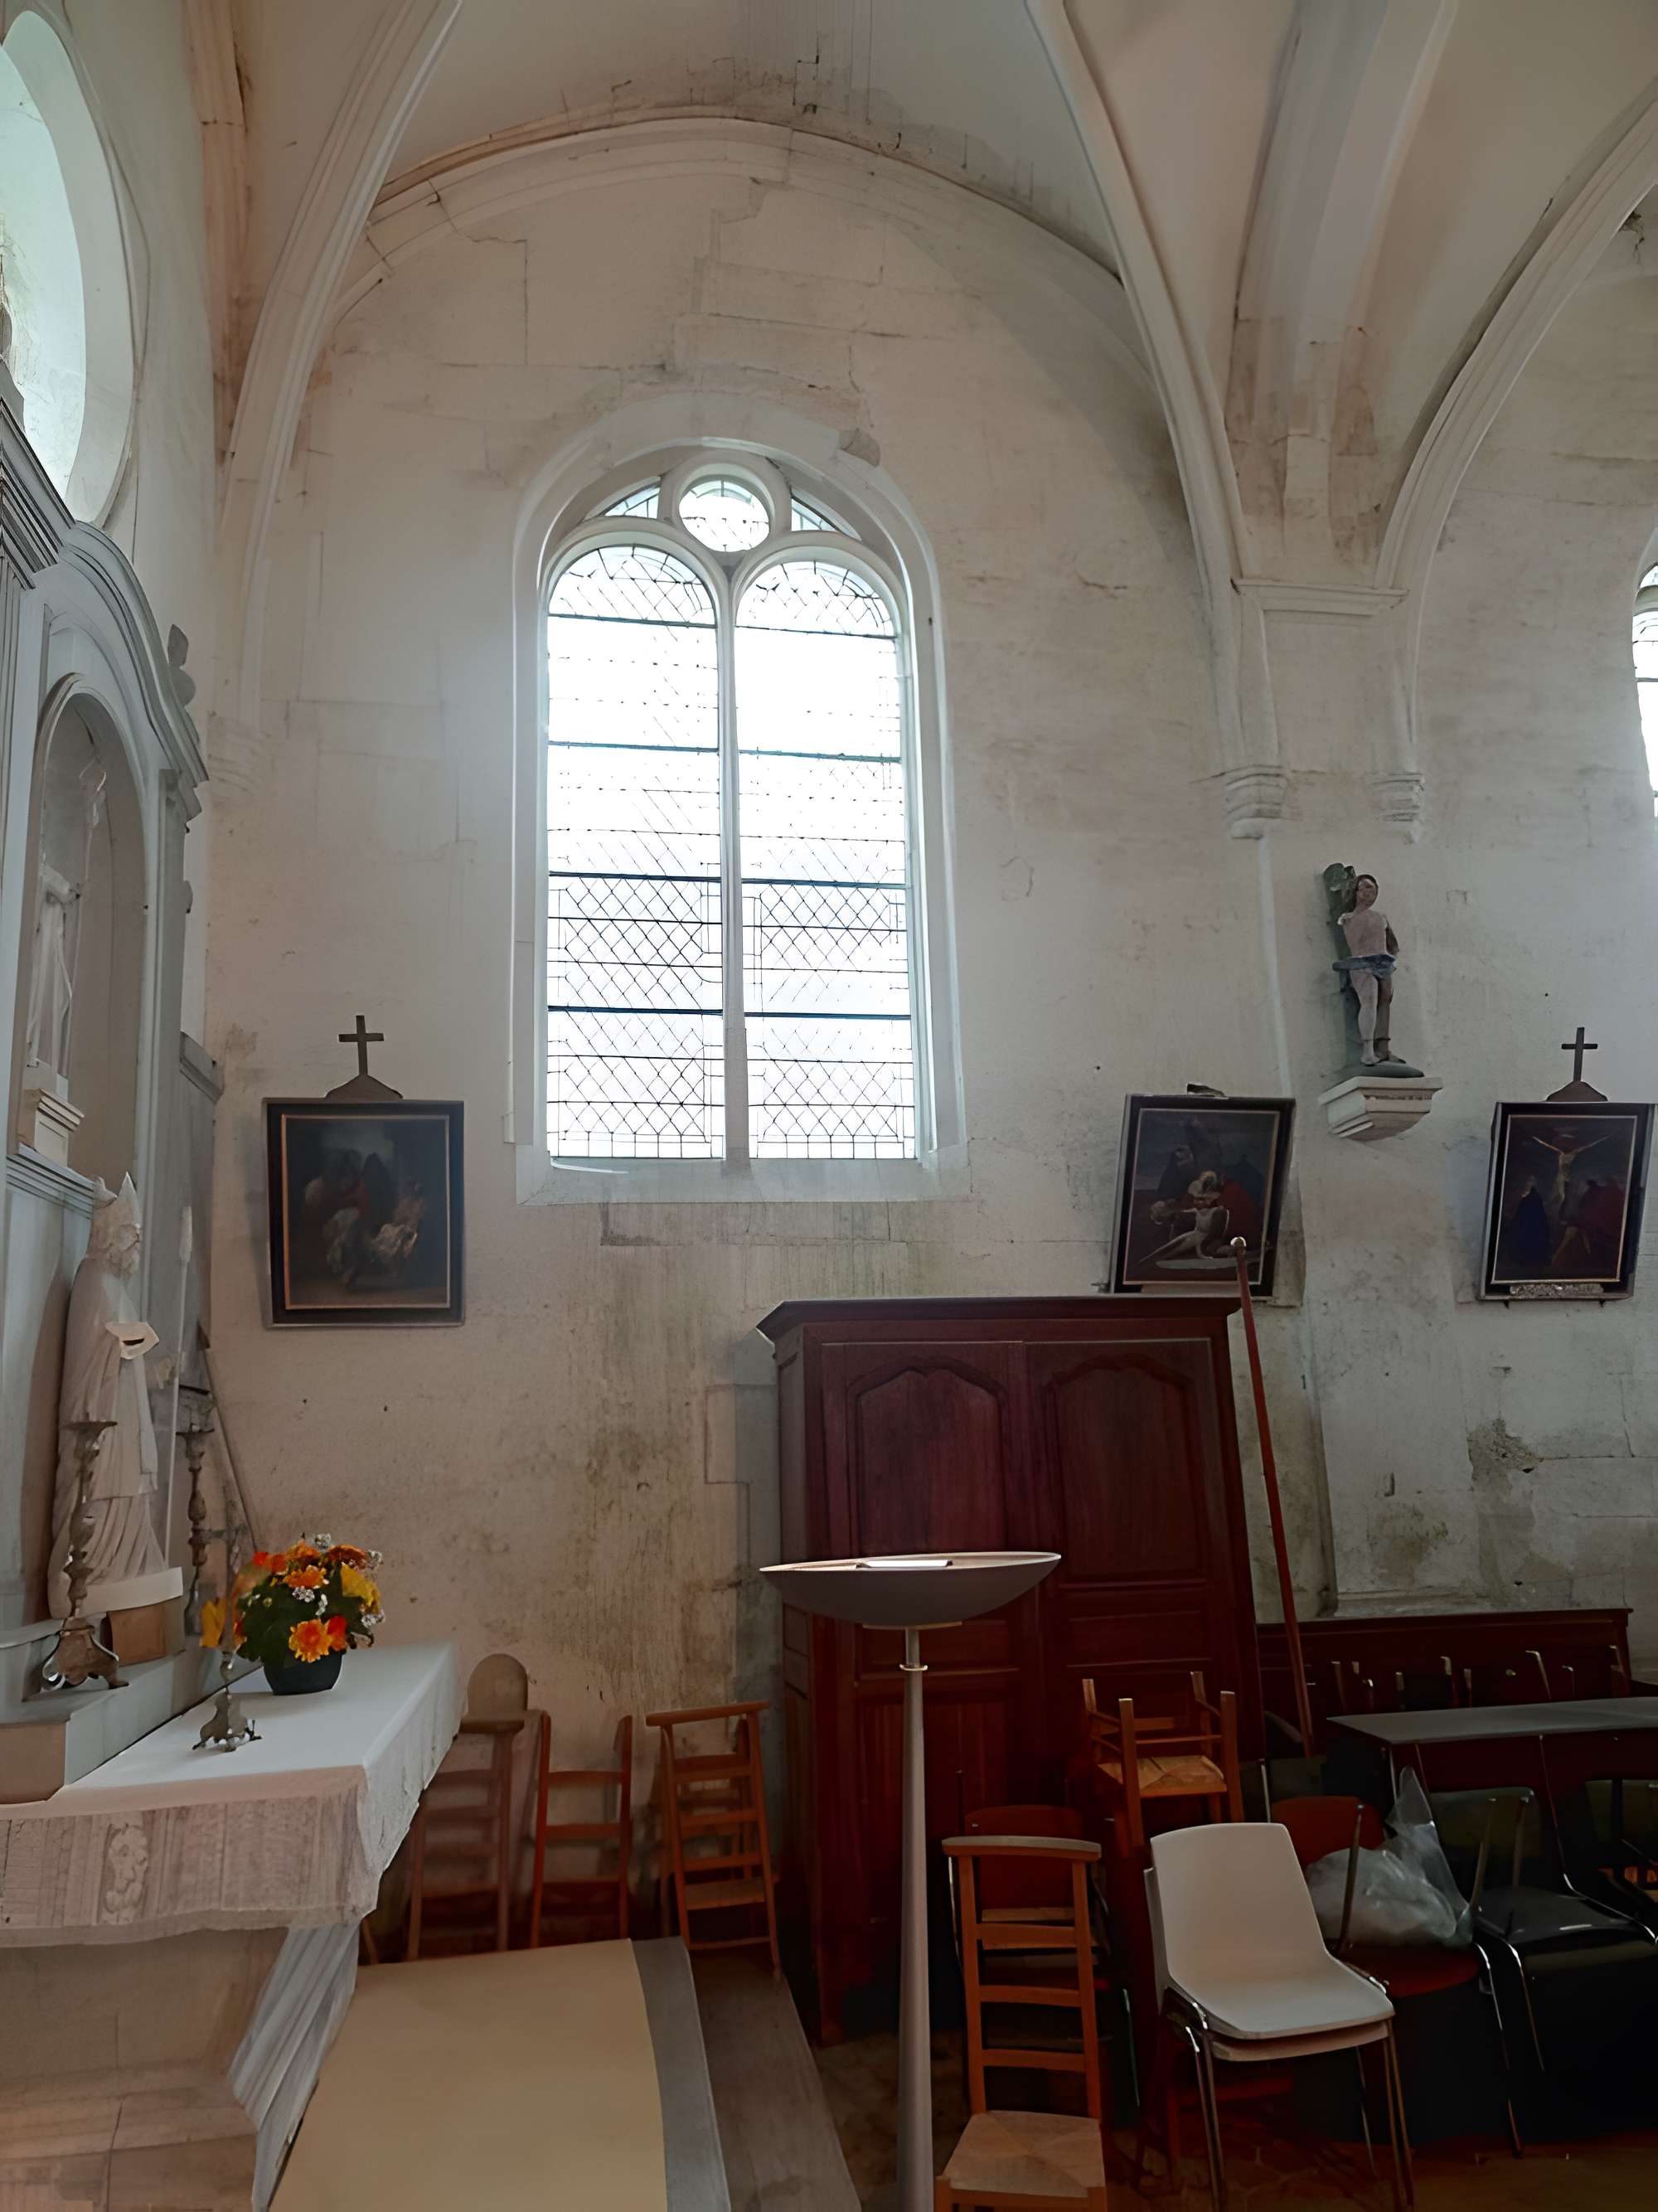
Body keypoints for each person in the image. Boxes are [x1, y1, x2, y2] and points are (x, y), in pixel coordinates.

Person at [1336, 874, 1402, 1067]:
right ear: (1356, 891)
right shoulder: (1347, 918)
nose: (1369, 892)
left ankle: (1383, 1048)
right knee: (1369, 1001)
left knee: (1384, 1002)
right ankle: (1367, 1051)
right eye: (1365, 887)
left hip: (1383, 963)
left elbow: (1392, 944)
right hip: (1362, 963)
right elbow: (1350, 944)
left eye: (1373, 889)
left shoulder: (1381, 918)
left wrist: (1391, 959)